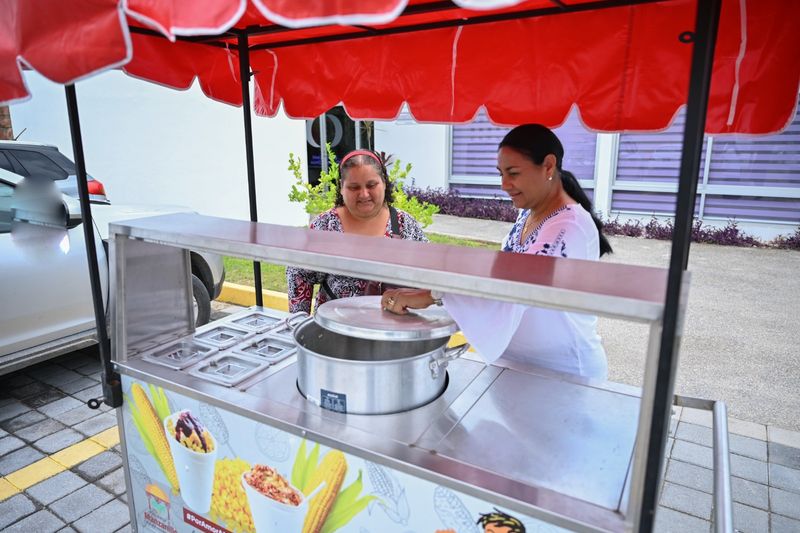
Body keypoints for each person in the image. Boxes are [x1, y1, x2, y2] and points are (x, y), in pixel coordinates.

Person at [381, 124, 613, 379]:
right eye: (501, 173)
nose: (504, 184)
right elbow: (498, 274)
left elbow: (516, 288)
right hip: (515, 364)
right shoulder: (529, 213)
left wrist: (432, 295)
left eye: (513, 173)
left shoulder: (569, 226)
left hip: (562, 372)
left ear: (548, 166)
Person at [287, 149, 428, 314]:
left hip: (393, 333)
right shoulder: (326, 226)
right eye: (354, 187)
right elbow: (299, 273)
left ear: (384, 183)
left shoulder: (405, 224)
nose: (364, 194)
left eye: (371, 185)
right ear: (342, 188)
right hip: (337, 329)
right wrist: (300, 321)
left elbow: (430, 276)